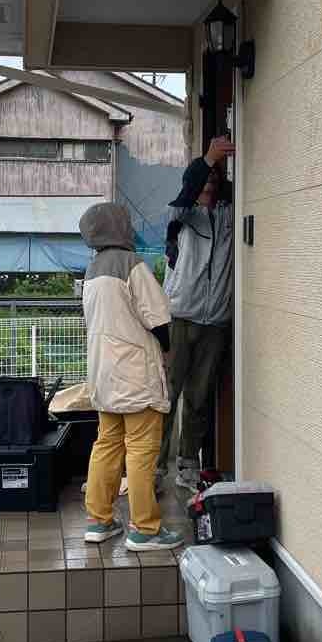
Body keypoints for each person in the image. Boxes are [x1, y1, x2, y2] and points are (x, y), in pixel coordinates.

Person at [78, 201, 184, 552]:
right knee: (141, 450)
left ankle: (99, 520)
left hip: (103, 373)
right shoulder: (131, 265)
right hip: (135, 373)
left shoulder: (92, 271)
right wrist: (167, 350)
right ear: (118, 227)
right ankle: (145, 529)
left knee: (106, 445)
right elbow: (159, 318)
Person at [158, 135, 235, 491]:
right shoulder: (181, 214)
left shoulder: (228, 214)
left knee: (199, 398)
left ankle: (188, 466)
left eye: (214, 180)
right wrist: (208, 159)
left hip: (215, 319)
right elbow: (188, 188)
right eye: (204, 179)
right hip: (179, 316)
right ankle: (154, 467)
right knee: (168, 395)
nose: (208, 185)